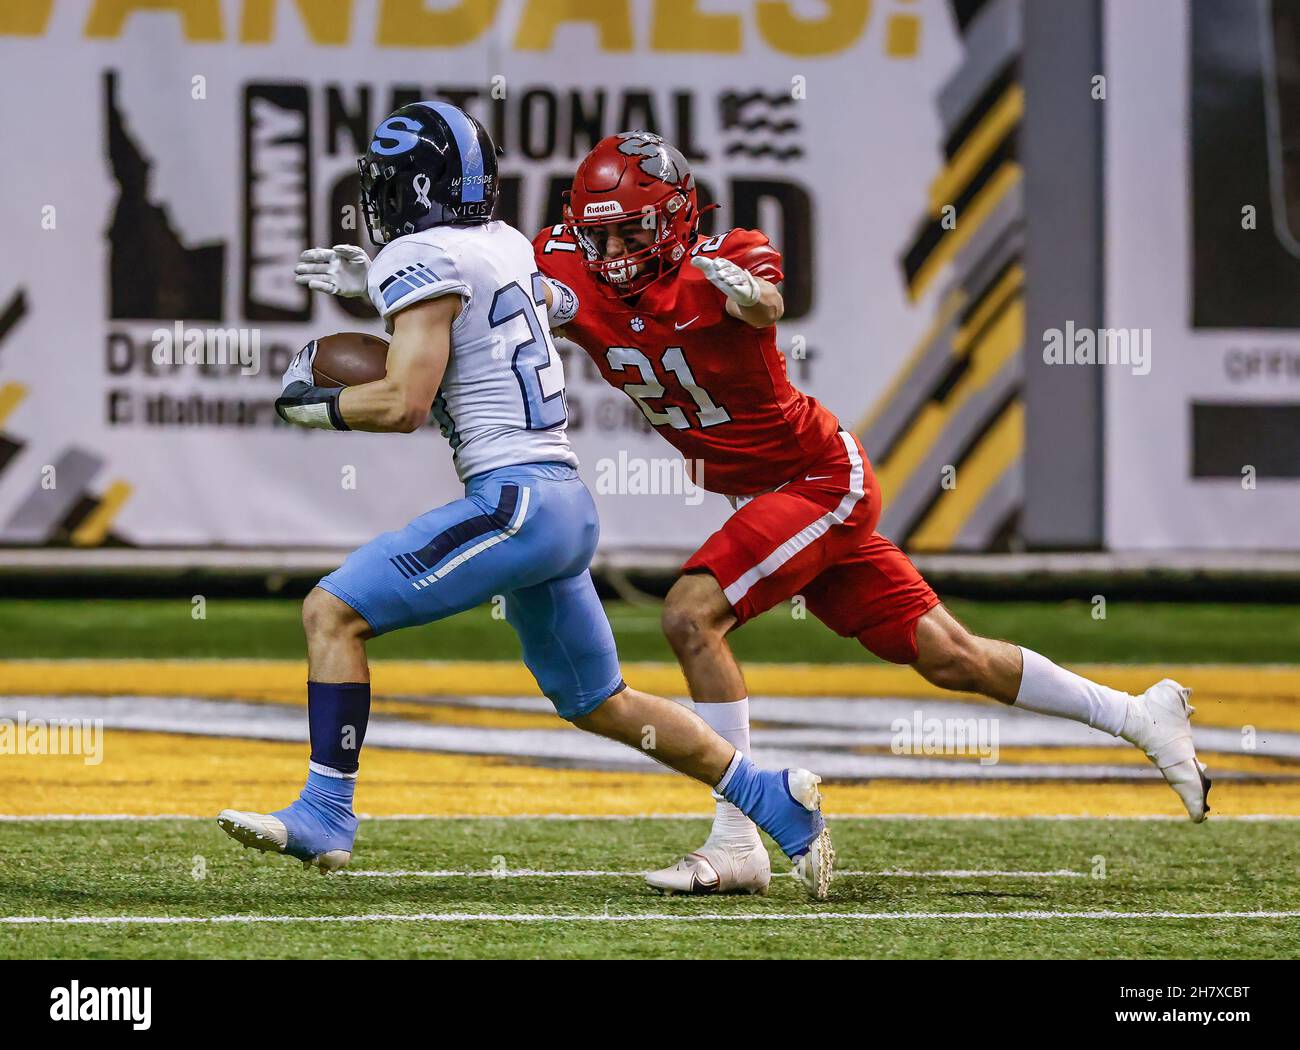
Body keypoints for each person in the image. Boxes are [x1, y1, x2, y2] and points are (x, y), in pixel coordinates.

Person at [526, 131, 1209, 896]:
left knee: (691, 616)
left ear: (679, 220)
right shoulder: (557, 258)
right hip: (769, 496)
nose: (614, 250)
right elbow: (497, 291)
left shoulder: (726, 258)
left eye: (633, 230)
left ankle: (738, 835)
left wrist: (752, 301)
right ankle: (1139, 715)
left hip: (818, 480)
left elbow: (764, 297)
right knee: (952, 656)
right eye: (601, 233)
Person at [218, 105, 833, 901]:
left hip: (516, 502)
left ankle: (327, 811)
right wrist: (372, 294)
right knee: (598, 700)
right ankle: (771, 799)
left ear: (412, 185)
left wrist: (318, 405)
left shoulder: (419, 253)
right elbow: (501, 323)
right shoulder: (505, 242)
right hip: (560, 506)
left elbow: (406, 400)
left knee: (332, 613)